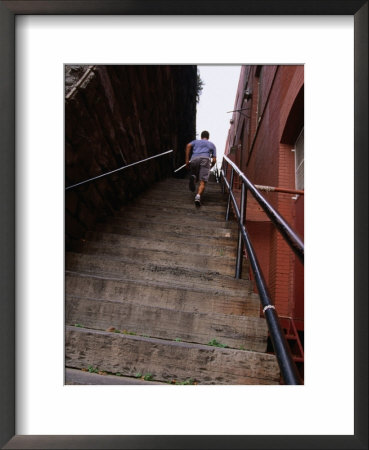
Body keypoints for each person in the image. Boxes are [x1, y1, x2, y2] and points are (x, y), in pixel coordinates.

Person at [185, 131, 217, 206]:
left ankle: (194, 177)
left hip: (194, 159)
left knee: (195, 174)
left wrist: (187, 160)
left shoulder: (196, 142)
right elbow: (214, 160)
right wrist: (211, 166)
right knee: (203, 181)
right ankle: (198, 197)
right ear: (208, 137)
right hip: (205, 159)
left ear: (201, 137)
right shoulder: (212, 144)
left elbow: (188, 145)